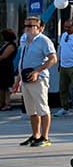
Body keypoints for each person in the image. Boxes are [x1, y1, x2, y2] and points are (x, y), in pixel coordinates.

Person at [15, 16, 55, 146]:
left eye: (30, 26)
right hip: (26, 80)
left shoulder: (44, 40)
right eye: (25, 26)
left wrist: (38, 71)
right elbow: (22, 61)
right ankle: (35, 135)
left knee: (43, 109)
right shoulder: (25, 41)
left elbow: (53, 59)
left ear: (39, 28)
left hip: (39, 79)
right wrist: (18, 80)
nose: (26, 28)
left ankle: (45, 137)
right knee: (31, 111)